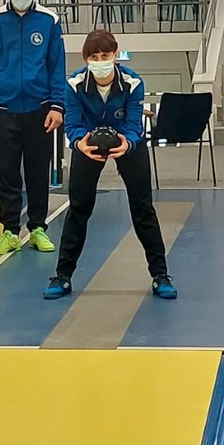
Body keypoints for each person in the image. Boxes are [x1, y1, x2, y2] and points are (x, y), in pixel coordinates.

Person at [43, 29, 177, 300]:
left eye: (105, 55)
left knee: (143, 209)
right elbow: (73, 125)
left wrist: (127, 144)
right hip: (88, 145)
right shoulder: (74, 84)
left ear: (115, 55)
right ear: (86, 58)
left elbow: (134, 124)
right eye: (94, 56)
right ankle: (62, 276)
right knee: (78, 209)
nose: (100, 61)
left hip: (127, 144)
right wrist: (80, 143)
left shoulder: (132, 82)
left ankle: (160, 275)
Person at [0, 0, 65, 255]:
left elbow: (56, 67)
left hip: (40, 109)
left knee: (38, 172)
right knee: (7, 173)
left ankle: (37, 228)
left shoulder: (50, 20)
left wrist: (58, 106)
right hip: (4, 109)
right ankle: (10, 231)